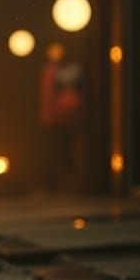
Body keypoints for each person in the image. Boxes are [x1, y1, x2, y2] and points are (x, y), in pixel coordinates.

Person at [38, 42, 84, 192]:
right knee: (56, 151)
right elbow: (47, 97)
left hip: (66, 117)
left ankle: (68, 184)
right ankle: (55, 184)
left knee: (65, 150)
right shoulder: (51, 72)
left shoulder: (65, 72)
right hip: (56, 118)